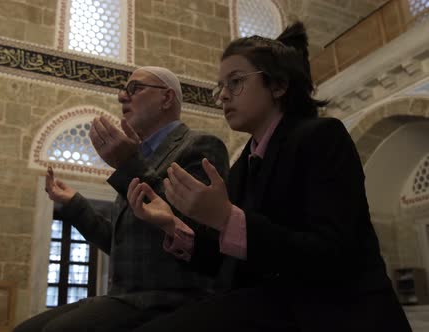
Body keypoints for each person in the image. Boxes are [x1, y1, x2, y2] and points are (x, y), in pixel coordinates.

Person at [127, 23, 412, 331]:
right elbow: (229, 260)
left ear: (277, 86)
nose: (222, 96)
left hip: (335, 311)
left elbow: (332, 253)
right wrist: (173, 225)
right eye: (219, 86)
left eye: (235, 82)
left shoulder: (321, 138)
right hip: (270, 304)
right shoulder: (244, 165)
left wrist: (226, 218)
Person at [13, 66, 229, 332]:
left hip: (169, 301)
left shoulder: (200, 147)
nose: (122, 97)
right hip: (124, 298)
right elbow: (120, 244)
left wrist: (129, 164)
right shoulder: (140, 156)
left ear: (167, 98)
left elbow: (192, 233)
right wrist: (74, 205)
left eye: (135, 89)